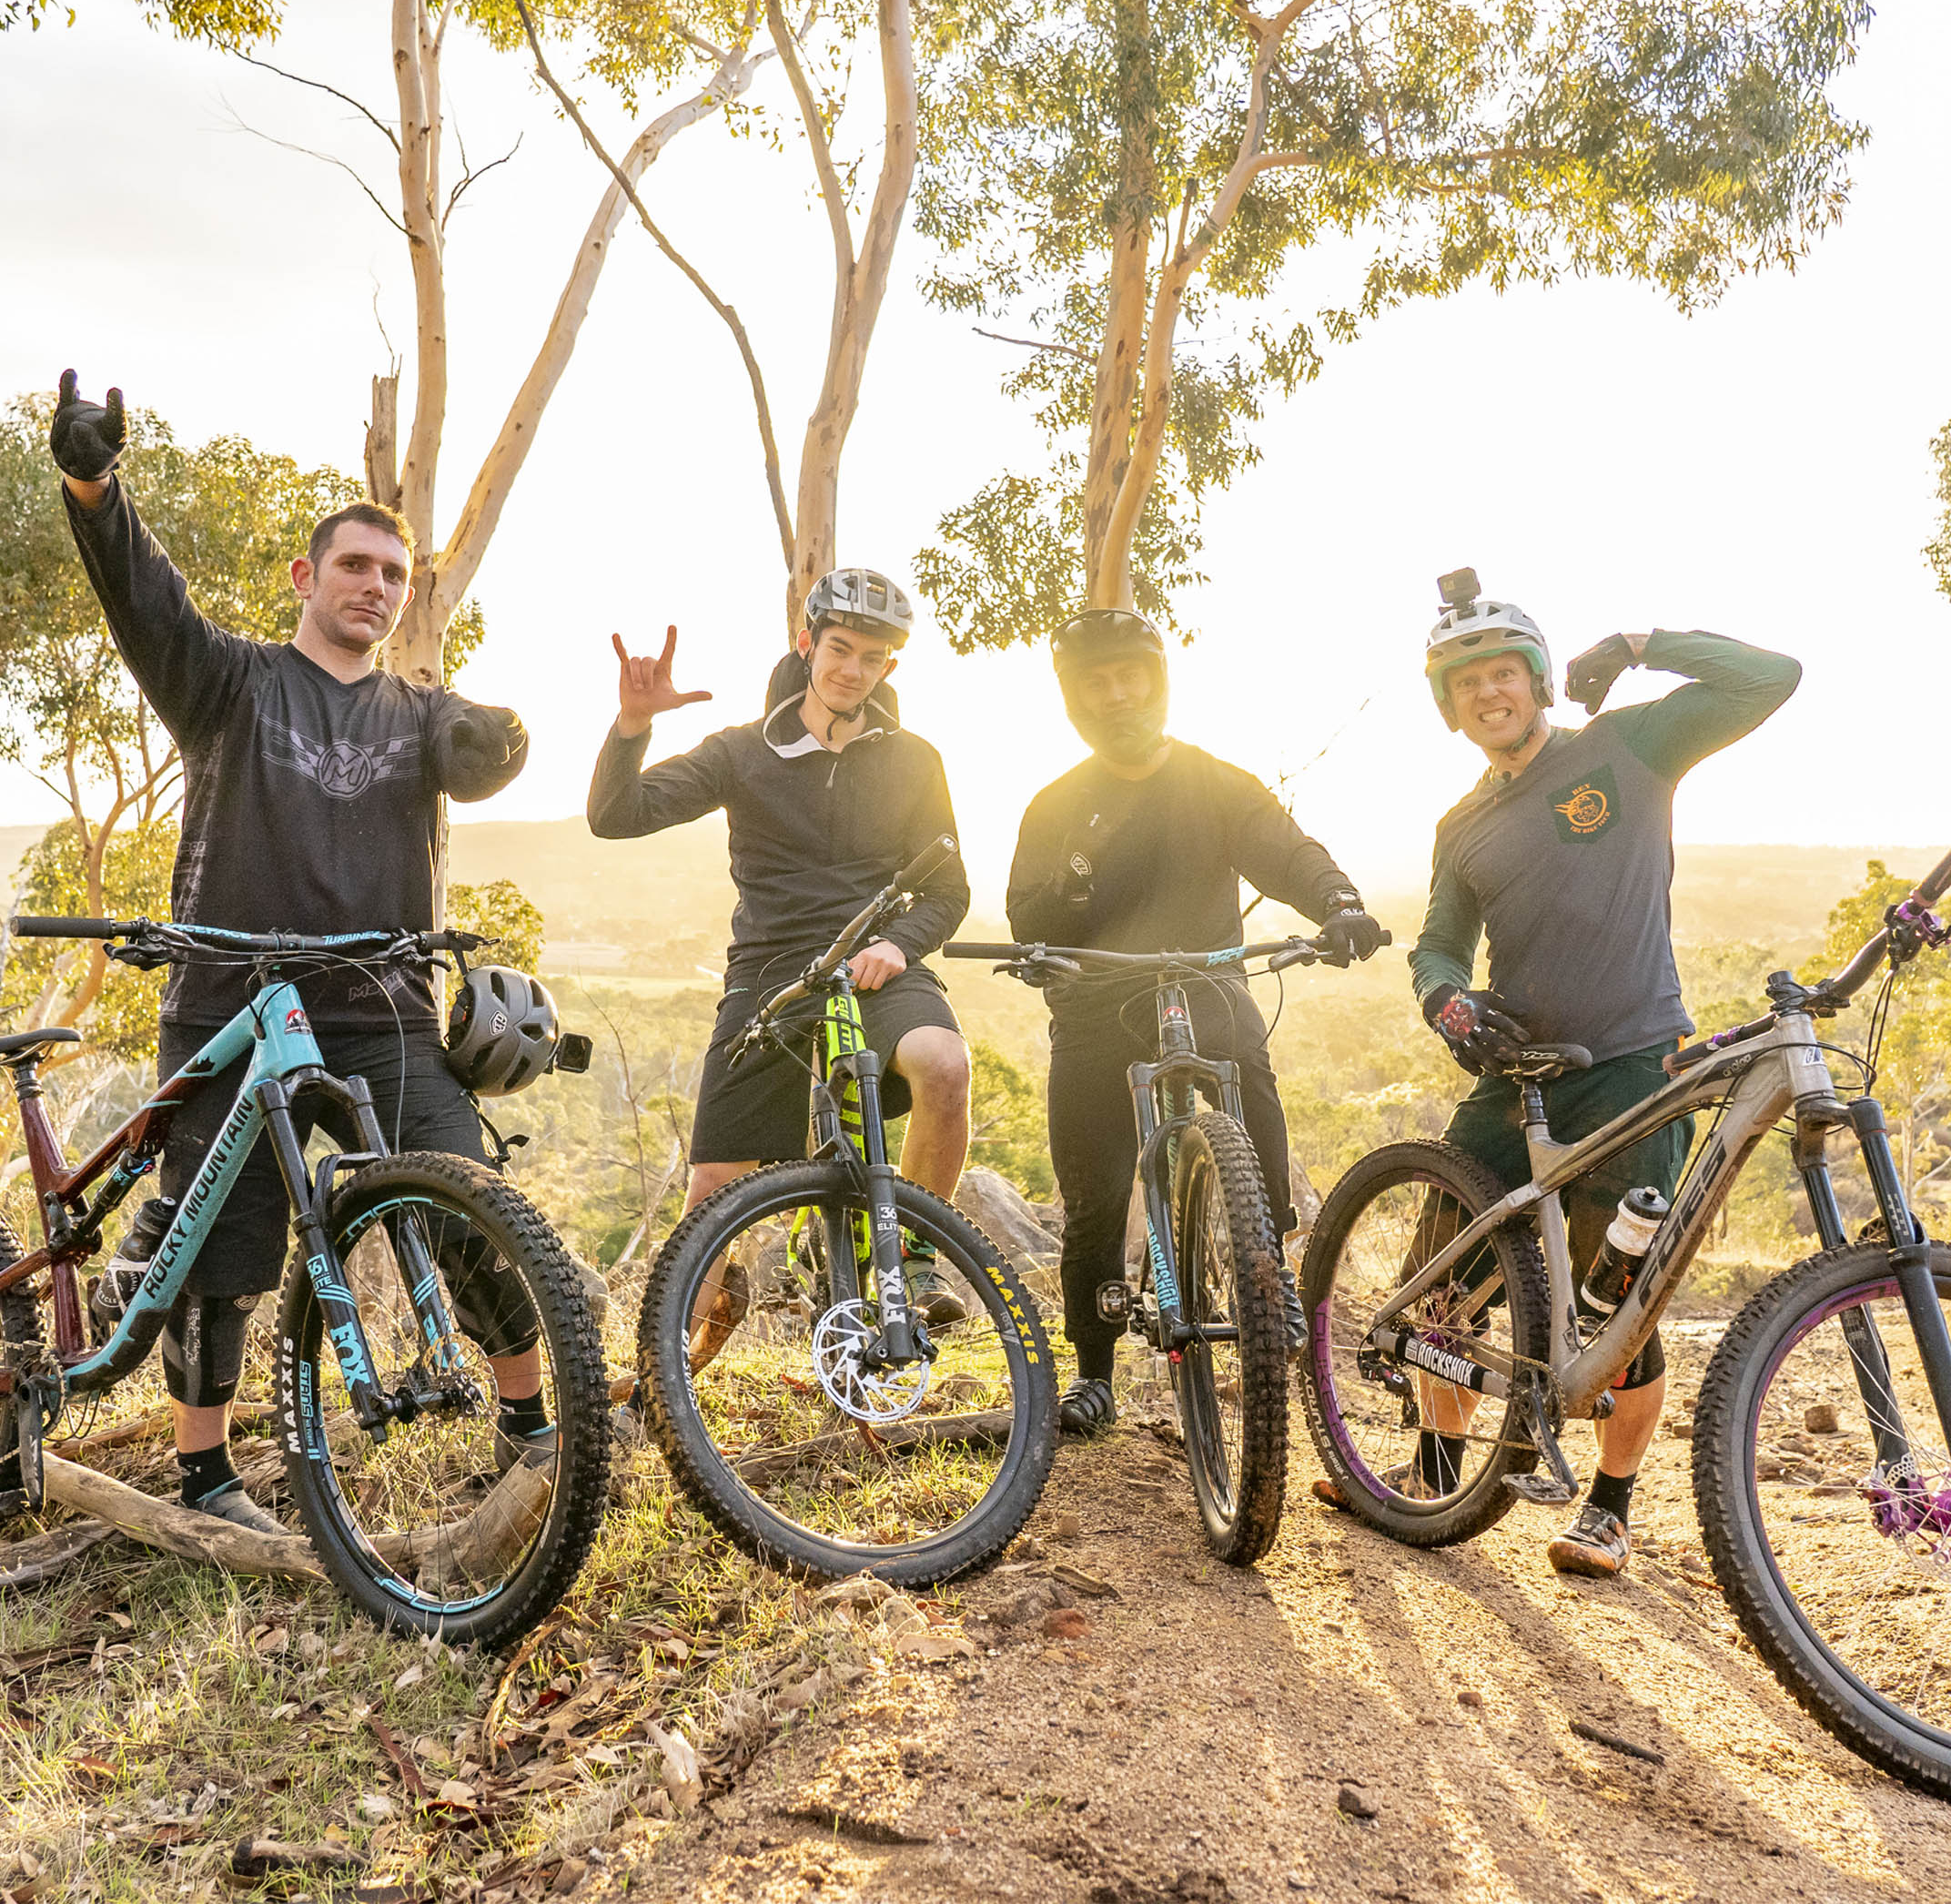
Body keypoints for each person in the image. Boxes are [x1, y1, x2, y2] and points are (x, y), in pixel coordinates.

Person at [46, 370, 541, 1533]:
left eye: (394, 575)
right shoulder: (228, 683)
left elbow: (478, 752)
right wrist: (92, 483)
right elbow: (146, 602)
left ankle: (532, 1426)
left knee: (468, 1210)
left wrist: (501, 736)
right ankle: (208, 1476)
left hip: (383, 1012)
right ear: (305, 579)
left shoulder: (422, 714)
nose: (374, 586)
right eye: (355, 566)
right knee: (221, 1259)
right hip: (231, 1006)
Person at [1332, 573, 1798, 1578]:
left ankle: (1610, 1509)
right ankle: (1431, 1476)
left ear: (1539, 679)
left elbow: (1770, 679)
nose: (1489, 693)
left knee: (1617, 1302)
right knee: (1440, 1293)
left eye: (1505, 673)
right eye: (1466, 684)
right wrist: (1444, 1000)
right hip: (1514, 1079)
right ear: (1449, 709)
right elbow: (1437, 947)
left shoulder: (1626, 747)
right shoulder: (1461, 825)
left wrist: (1637, 641)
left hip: (1636, 1066)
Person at [1005, 608, 1390, 1436]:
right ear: (1074, 698)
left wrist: (1340, 903)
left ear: (1160, 682)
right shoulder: (1055, 805)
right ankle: (1095, 1371)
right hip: (1098, 1005)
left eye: (1131, 677)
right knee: (1095, 1195)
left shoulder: (1217, 783)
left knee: (1250, 1072)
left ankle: (1268, 1266)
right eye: (1097, 683)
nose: (1117, 695)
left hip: (1204, 987)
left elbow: (1285, 850)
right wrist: (1064, 907)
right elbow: (1024, 915)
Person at [587, 575, 979, 1320]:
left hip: (878, 966)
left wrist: (897, 944)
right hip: (772, 972)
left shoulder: (914, 761)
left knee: (945, 1063)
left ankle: (917, 1260)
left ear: (887, 669)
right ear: (807, 645)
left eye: (871, 658)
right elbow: (616, 816)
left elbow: (949, 890)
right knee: (713, 1191)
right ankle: (662, 1369)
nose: (851, 670)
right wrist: (633, 724)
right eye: (838, 649)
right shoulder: (741, 752)